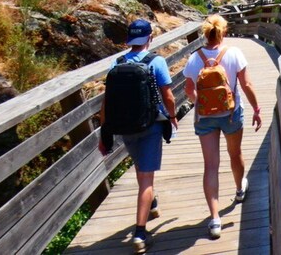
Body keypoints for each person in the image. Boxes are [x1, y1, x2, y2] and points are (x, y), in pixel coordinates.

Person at [98, 18, 178, 254]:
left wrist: (105, 133)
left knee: (141, 169)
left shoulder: (117, 63)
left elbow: (106, 102)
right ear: (149, 38)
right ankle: (140, 233)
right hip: (150, 127)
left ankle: (151, 203)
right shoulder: (156, 61)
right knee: (146, 179)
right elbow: (169, 96)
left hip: (125, 127)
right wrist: (172, 117)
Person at [183, 14, 262, 240]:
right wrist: (257, 109)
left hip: (205, 117)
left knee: (211, 165)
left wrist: (202, 103)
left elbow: (189, 90)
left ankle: (215, 219)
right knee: (235, 153)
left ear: (205, 33)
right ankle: (239, 191)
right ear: (223, 32)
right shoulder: (234, 53)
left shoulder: (194, 58)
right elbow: (246, 84)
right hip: (231, 113)